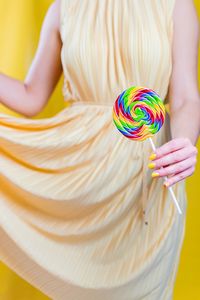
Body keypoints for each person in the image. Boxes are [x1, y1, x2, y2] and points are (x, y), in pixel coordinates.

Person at [0, 0, 199, 299]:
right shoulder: (64, 8)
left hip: (145, 182)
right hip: (78, 176)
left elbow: (185, 95)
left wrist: (182, 144)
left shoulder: (175, 5)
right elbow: (32, 96)